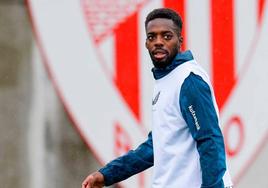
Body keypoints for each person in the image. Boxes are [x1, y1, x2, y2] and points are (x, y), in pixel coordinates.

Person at [82, 8, 233, 188]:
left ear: (180, 41)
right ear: (146, 43)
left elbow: (210, 140)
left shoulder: (189, 80)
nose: (158, 42)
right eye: (152, 37)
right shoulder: (166, 80)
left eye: (167, 36)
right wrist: (106, 175)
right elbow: (156, 146)